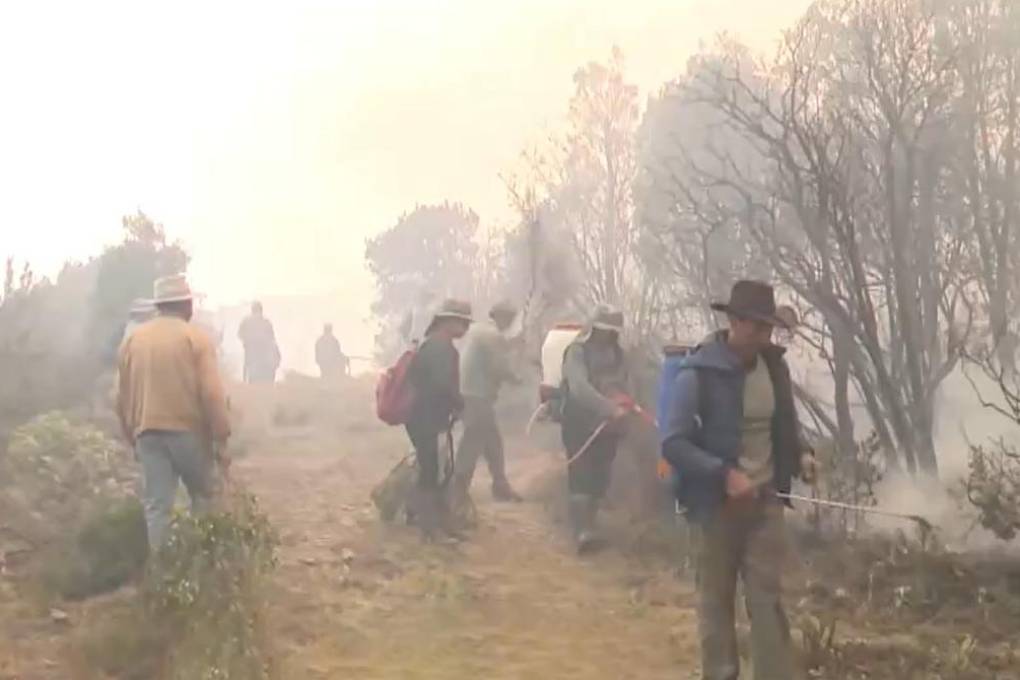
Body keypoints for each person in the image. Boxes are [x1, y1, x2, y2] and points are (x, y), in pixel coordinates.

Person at [661, 280, 817, 680]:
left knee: (767, 601)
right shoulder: (698, 373)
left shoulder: (774, 367)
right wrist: (723, 473)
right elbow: (673, 443)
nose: (762, 336)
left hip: (764, 504)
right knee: (716, 602)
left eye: (768, 328)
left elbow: (786, 422)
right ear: (732, 321)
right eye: (754, 327)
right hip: (714, 509)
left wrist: (802, 455)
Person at [117, 274, 232, 550]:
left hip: (147, 433)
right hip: (188, 432)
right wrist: (222, 436)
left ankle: (163, 575)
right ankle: (202, 563)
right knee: (204, 496)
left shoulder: (134, 340)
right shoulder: (195, 338)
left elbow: (120, 398)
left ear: (159, 305)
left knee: (157, 507)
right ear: (186, 305)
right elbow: (212, 393)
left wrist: (132, 435)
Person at [560, 304, 632, 553]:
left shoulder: (619, 354)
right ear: (594, 328)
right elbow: (579, 388)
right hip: (579, 421)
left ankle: (591, 525)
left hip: (609, 425)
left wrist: (622, 400)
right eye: (603, 330)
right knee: (581, 473)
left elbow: (624, 382)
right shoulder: (577, 352)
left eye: (612, 331)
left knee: (601, 475)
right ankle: (581, 531)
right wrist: (608, 407)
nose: (608, 335)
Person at [405, 298, 473, 542]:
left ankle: (440, 524)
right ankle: (430, 530)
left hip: (425, 418)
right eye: (462, 323)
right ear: (447, 321)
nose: (465, 329)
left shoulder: (432, 346)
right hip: (427, 419)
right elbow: (442, 385)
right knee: (431, 473)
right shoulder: (441, 349)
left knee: (437, 471)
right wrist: (460, 405)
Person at [452, 300, 523, 507]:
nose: (511, 323)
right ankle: (458, 492)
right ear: (504, 318)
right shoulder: (493, 336)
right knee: (472, 443)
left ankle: (500, 485)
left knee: (492, 441)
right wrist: (517, 378)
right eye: (510, 319)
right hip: (477, 396)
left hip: (468, 394)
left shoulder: (478, 331)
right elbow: (499, 367)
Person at [238, 301, 280, 384]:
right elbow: (271, 337)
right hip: (261, 348)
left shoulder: (246, 320)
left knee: (247, 363)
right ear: (261, 310)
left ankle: (245, 381)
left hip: (250, 346)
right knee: (258, 364)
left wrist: (245, 341)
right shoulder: (266, 322)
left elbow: (240, 334)